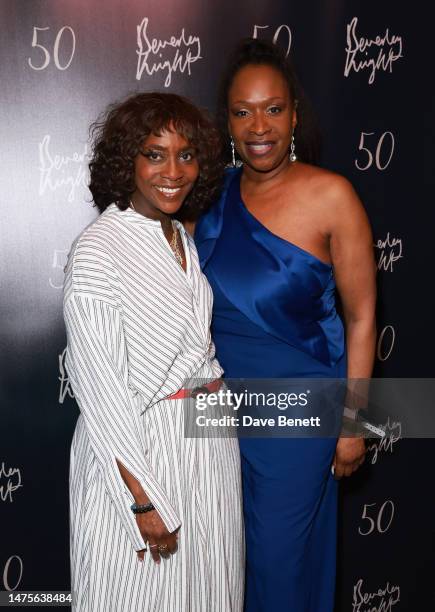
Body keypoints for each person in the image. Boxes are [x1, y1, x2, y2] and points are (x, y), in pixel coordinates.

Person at [194, 39, 376, 612]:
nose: (258, 126)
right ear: (225, 120)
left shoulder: (332, 196)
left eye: (272, 109)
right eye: (242, 111)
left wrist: (353, 422)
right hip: (220, 417)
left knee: (276, 569)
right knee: (229, 568)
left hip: (299, 416)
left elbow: (363, 316)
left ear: (294, 113)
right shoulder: (208, 195)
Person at [63, 92, 244, 612]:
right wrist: (142, 501)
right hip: (146, 451)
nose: (173, 170)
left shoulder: (179, 238)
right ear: (128, 160)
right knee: (140, 596)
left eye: (186, 155)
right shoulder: (99, 248)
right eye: (155, 153)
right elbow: (101, 390)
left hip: (206, 442)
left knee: (210, 589)